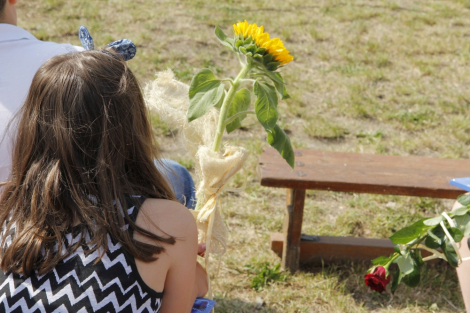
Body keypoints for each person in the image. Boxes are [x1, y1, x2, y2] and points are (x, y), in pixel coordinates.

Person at [0, 49, 207, 312]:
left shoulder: (10, 203)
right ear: (131, 126)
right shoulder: (168, 224)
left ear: (34, 126)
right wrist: (196, 278)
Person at [0, 0, 196, 209]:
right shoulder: (71, 62)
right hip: (56, 215)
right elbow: (119, 159)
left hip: (24, 225)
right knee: (176, 176)